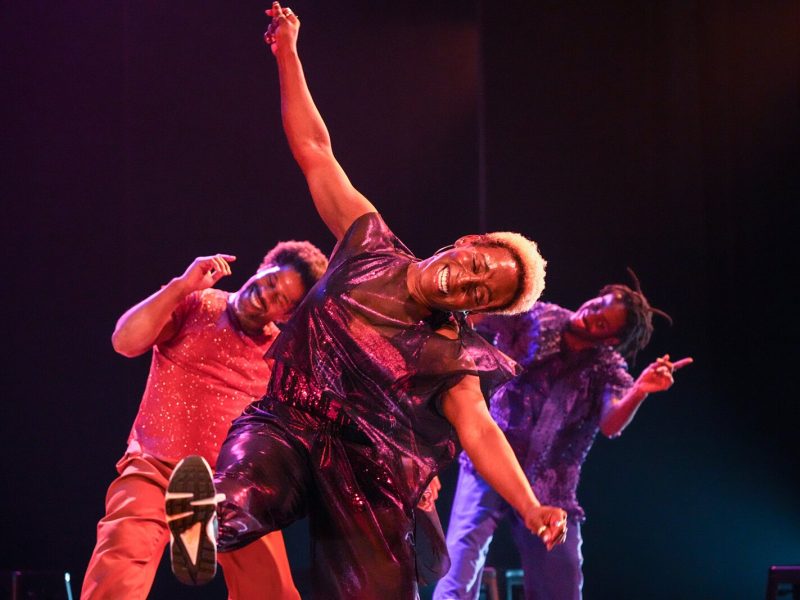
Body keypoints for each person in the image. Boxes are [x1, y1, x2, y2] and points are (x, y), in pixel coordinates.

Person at [165, 4, 568, 599]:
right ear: (468, 243)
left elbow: (480, 432)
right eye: (478, 267)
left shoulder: (452, 353)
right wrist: (288, 53)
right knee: (251, 470)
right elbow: (314, 148)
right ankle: (211, 518)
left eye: (482, 294)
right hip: (289, 422)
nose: (467, 283)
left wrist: (532, 508)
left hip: (370, 470)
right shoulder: (368, 241)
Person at [81, 241, 328, 600]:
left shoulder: (281, 357)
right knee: (121, 553)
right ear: (263, 267)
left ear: (287, 316)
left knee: (272, 588)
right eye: (272, 281)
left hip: (232, 488)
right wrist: (182, 284)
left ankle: (201, 524)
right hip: (155, 465)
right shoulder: (197, 302)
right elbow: (125, 341)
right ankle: (191, 522)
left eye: (281, 300)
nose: (266, 296)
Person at [433, 276, 693, 600]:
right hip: (491, 461)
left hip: (551, 483)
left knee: (561, 583)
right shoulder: (537, 317)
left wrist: (639, 391)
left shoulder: (606, 367)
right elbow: (479, 316)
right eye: (597, 306)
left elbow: (611, 423)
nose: (590, 314)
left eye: (601, 322)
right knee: (460, 563)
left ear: (610, 339)